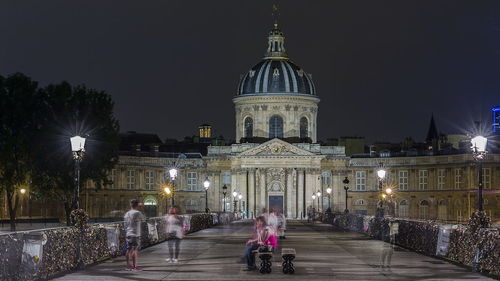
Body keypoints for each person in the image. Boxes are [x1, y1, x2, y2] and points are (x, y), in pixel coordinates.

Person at [124, 199, 145, 271]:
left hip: (128, 233)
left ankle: (128, 265)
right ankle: (135, 267)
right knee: (135, 250)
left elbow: (125, 224)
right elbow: (144, 219)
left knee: (128, 250)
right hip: (136, 234)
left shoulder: (127, 214)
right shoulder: (138, 213)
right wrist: (142, 209)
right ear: (137, 205)